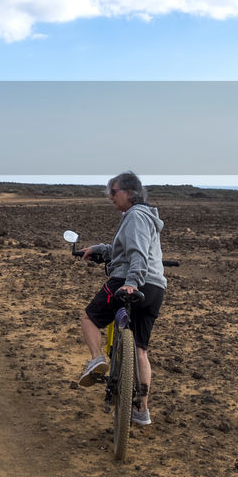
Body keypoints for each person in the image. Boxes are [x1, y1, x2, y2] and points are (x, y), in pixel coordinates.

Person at [75, 171, 166, 427]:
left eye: (113, 192)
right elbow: (127, 249)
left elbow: (136, 252)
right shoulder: (146, 216)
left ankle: (97, 359)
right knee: (140, 349)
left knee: (90, 318)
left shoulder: (135, 216)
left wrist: (131, 282)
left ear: (128, 192)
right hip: (156, 288)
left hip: (130, 281)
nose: (110, 197)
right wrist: (99, 249)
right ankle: (142, 411)